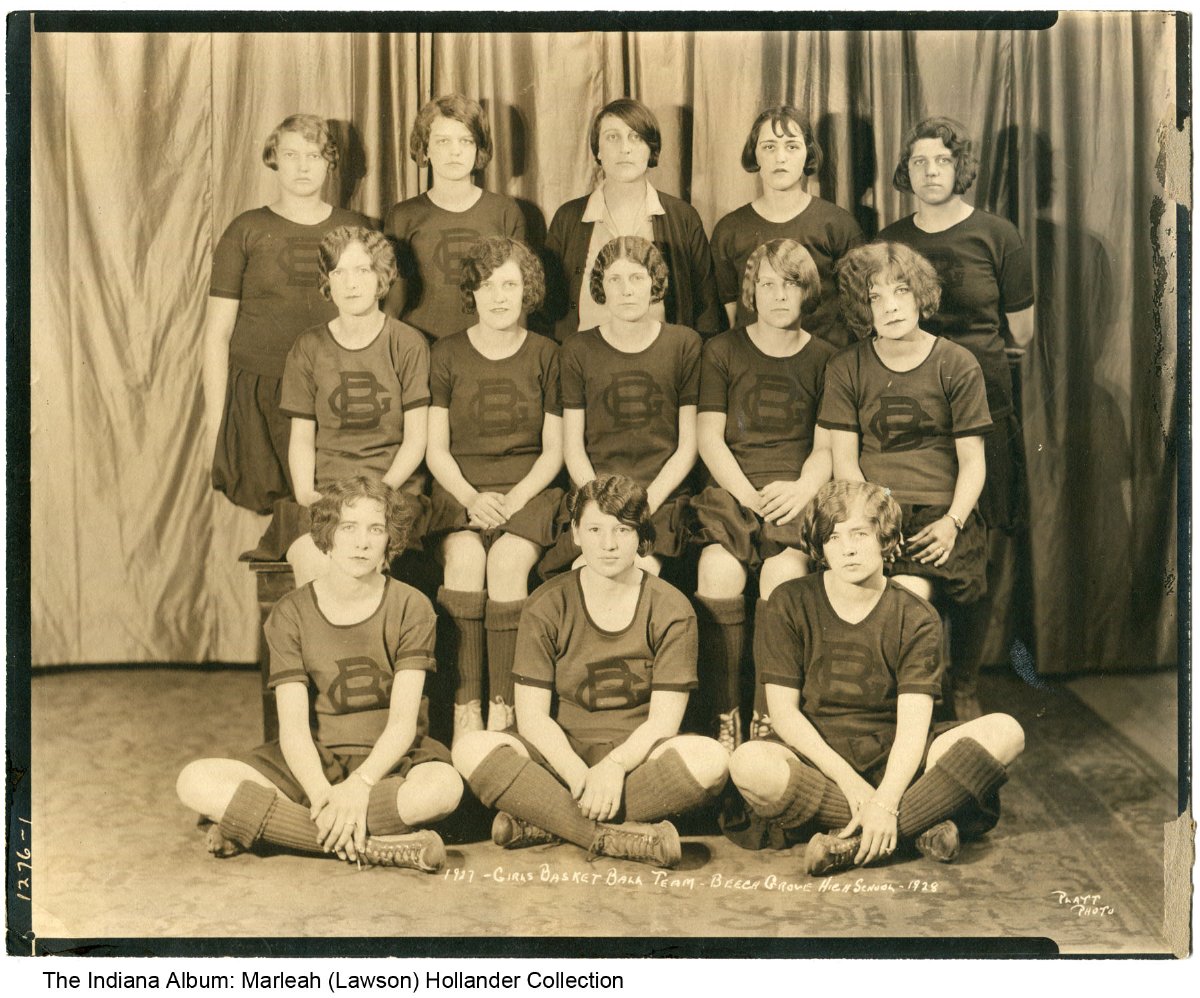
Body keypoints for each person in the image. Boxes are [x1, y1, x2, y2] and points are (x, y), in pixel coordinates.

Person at [724, 480, 1024, 876]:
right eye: (833, 537)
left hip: (897, 757)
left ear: (886, 539)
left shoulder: (916, 615)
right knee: (747, 763)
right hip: (820, 760)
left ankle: (854, 839)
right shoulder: (789, 601)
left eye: (860, 534)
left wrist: (887, 798)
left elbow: (913, 729)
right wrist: (851, 783)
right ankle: (916, 822)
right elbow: (784, 715)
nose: (847, 548)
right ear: (820, 548)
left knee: (1007, 731)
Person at [176, 477, 463, 872]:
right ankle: (378, 848)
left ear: (390, 539)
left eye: (375, 529)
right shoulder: (290, 613)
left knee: (444, 789)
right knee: (194, 780)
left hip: (391, 762)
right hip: (315, 762)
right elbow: (293, 730)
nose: (362, 543)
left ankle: (268, 826)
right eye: (348, 528)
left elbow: (403, 724)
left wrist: (361, 785)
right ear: (327, 534)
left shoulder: (411, 606)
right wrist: (323, 795)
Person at [452, 475, 730, 869]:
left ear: (642, 536)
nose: (608, 544)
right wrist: (578, 775)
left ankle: (549, 822)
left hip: (637, 759)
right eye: (595, 529)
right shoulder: (547, 603)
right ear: (576, 533)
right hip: (560, 755)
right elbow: (532, 719)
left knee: (712, 760)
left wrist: (615, 766)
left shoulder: (672, 608)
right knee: (469, 749)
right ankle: (608, 837)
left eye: (623, 530)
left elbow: (662, 723)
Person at [878, 116, 1036, 718]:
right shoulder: (890, 240)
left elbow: (1021, 332)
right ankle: (913, 688)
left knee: (976, 548)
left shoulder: (998, 235)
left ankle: (963, 684)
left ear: (960, 168)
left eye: (942, 161)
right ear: (906, 171)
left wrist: (968, 370)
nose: (930, 172)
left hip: (983, 407)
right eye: (919, 162)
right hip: (910, 414)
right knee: (914, 544)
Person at [692, 239, 836, 750]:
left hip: (795, 497)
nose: (778, 295)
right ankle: (724, 714)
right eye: (767, 284)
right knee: (718, 570)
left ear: (806, 291)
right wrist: (747, 495)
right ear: (750, 292)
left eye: (790, 284)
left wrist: (802, 489)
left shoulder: (825, 358)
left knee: (784, 575)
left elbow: (826, 448)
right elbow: (709, 438)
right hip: (735, 491)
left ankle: (768, 718)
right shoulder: (722, 350)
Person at [424, 237, 564, 742]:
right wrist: (471, 499)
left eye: (509, 284)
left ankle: (505, 711)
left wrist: (515, 501)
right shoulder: (446, 353)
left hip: (529, 492)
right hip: (461, 491)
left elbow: (554, 451)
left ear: (528, 290)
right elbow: (435, 450)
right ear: (472, 293)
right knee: (464, 558)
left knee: (506, 562)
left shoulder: (548, 354)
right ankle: (466, 710)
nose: (498, 296)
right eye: (486, 286)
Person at [206, 114, 368, 514]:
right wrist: (217, 426)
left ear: (330, 162)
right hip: (260, 396)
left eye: (313, 155)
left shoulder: (354, 228)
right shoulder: (246, 228)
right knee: (283, 516)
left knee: (336, 513)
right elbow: (217, 336)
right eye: (291, 154)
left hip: (333, 393)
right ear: (273, 158)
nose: (302, 166)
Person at [819, 242, 991, 610]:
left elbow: (973, 461)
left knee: (905, 597)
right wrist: (873, 522)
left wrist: (952, 522)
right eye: (875, 297)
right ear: (862, 307)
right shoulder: (846, 366)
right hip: (872, 511)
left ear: (920, 294)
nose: (890, 306)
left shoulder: (957, 363)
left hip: (940, 514)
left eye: (901, 290)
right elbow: (844, 463)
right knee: (860, 598)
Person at [277, 226, 430, 586]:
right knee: (315, 562)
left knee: (366, 561)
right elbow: (302, 438)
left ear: (381, 277)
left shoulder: (407, 343)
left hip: (392, 491)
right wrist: (306, 494)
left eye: (362, 270)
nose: (350, 283)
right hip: (327, 492)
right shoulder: (308, 347)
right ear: (327, 281)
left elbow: (416, 440)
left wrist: (380, 494)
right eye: (339, 272)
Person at [544, 236, 701, 579]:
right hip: (596, 496)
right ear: (600, 286)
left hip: (660, 498)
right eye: (614, 279)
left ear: (655, 282)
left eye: (637, 278)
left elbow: (688, 446)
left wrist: (645, 503)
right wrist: (601, 506)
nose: (626, 290)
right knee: (587, 570)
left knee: (637, 567)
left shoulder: (684, 344)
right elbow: (573, 447)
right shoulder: (576, 349)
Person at [543, 97, 721, 342]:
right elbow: (547, 305)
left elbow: (707, 308)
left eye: (635, 137)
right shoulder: (568, 217)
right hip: (585, 357)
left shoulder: (682, 217)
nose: (624, 148)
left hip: (662, 358)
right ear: (598, 150)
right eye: (612, 137)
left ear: (651, 149)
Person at [710, 106, 864, 349]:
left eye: (792, 146)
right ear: (755, 155)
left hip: (826, 362)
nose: (780, 158)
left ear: (807, 154)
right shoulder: (730, 230)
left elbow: (858, 308)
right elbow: (733, 317)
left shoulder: (838, 225)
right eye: (769, 147)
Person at [383, 94, 525, 342]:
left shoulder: (505, 212)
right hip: (421, 349)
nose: (455, 151)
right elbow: (393, 304)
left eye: (466, 141)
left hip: (488, 349)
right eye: (443, 141)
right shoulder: (403, 216)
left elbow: (519, 301)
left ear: (478, 148)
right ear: (425, 149)